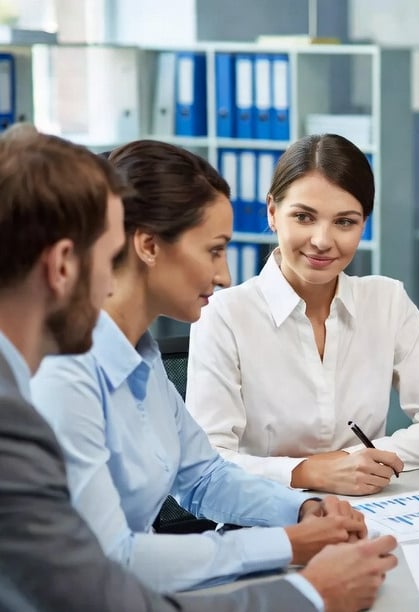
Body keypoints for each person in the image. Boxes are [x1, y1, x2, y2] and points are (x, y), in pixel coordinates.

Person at [0, 125, 398, 612]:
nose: (113, 278)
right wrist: (306, 590)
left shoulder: (122, 355)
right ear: (64, 264)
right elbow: (104, 584)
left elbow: (200, 478)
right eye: (108, 252)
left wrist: (301, 513)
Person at [27, 140, 371, 592]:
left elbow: (204, 477)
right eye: (214, 250)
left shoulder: (141, 357)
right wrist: (289, 545)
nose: (225, 275)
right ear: (148, 245)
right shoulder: (64, 377)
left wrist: (302, 510)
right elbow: (112, 558)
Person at [186, 133, 419, 495]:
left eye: (345, 222)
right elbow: (207, 462)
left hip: (371, 511)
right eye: (304, 217)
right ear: (272, 212)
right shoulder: (224, 315)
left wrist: (355, 462)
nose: (322, 240)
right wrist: (308, 472)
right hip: (267, 521)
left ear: (363, 224)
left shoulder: (387, 301)